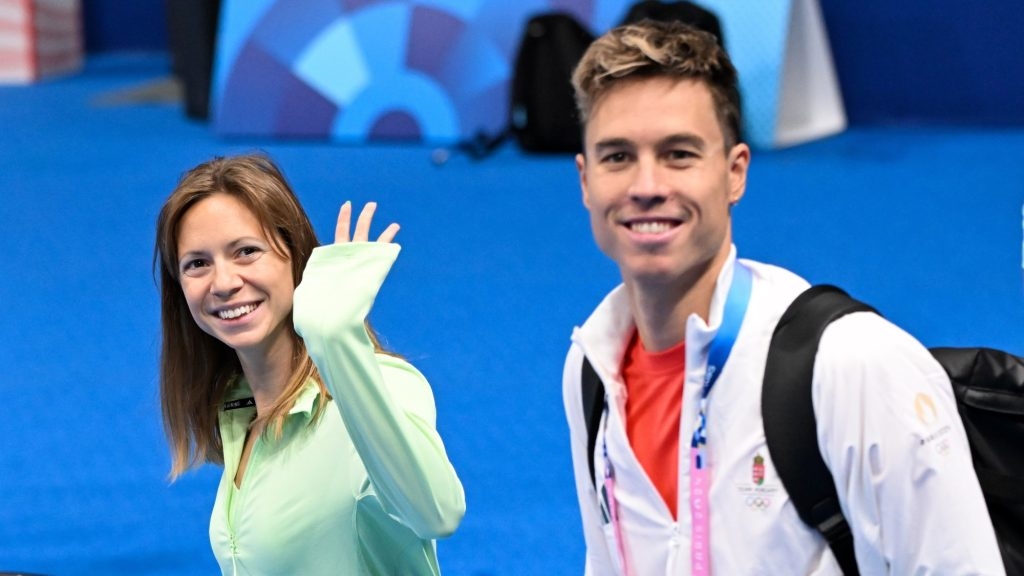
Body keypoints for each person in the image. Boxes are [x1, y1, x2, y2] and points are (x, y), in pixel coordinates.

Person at [561, 20, 1004, 575]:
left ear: (735, 173)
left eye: (679, 154)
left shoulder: (851, 364)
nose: (646, 186)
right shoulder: (591, 369)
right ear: (585, 180)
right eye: (617, 157)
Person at [154, 153, 465, 575]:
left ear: (296, 256)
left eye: (246, 252)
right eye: (197, 264)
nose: (223, 283)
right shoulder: (239, 408)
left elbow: (438, 515)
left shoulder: (384, 384)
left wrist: (338, 345)